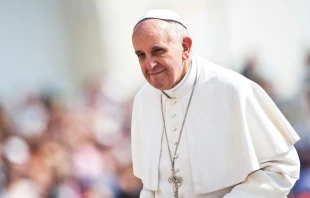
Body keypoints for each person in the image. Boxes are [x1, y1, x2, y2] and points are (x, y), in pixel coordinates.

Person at [130, 9, 300, 198]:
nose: (149, 64)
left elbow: (282, 169)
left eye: (157, 51)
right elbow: (150, 186)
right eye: (141, 55)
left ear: (185, 47)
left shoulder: (233, 89)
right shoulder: (143, 101)